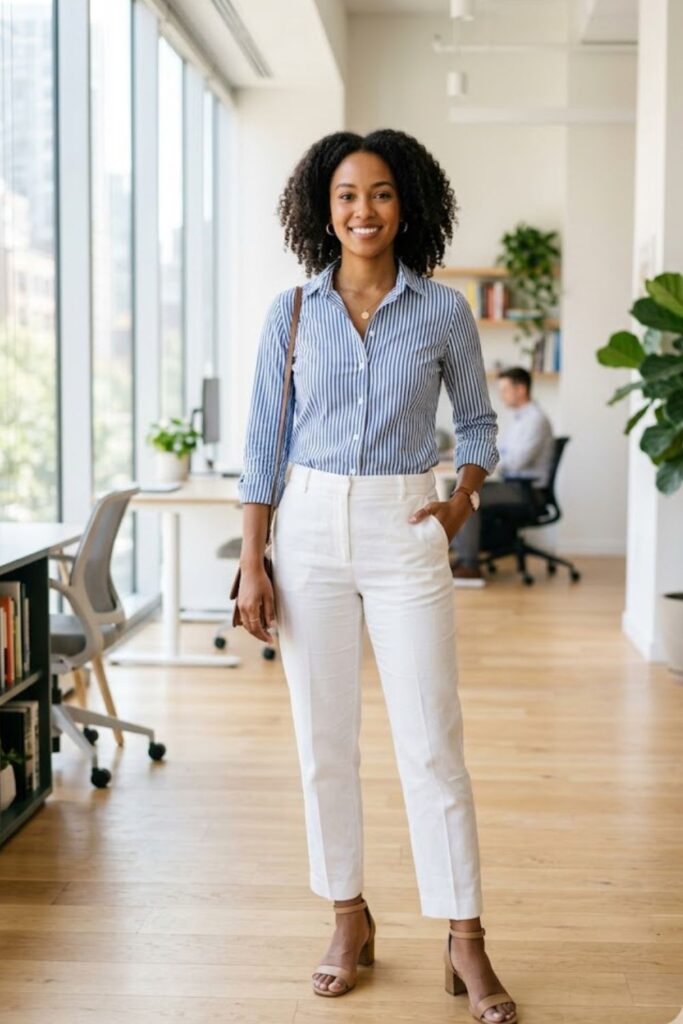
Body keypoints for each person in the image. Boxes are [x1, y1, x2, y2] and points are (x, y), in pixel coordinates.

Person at [236, 129, 517, 1024]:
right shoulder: (289, 313)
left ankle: (464, 937)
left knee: (432, 739)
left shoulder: (440, 313)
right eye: (348, 194)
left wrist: (457, 506)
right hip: (307, 524)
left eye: (383, 193)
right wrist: (253, 560)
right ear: (323, 208)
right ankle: (347, 918)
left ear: (409, 206)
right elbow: (261, 450)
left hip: (405, 522)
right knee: (324, 742)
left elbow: (476, 426)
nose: (365, 210)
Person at [450, 366, 554, 587]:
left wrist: (486, 462)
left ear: (521, 389)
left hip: (527, 491)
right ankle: (462, 558)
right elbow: (503, 452)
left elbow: (516, 462)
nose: (501, 395)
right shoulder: (519, 419)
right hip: (514, 485)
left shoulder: (535, 420)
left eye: (505, 389)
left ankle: (470, 565)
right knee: (460, 489)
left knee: (467, 496)